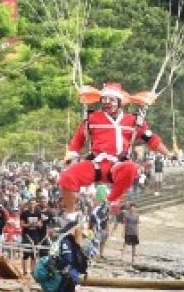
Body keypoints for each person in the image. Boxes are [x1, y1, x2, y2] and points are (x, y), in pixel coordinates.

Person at [58, 82, 172, 225]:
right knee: (66, 178)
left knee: (131, 168)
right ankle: (71, 215)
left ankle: (111, 200)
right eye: (104, 101)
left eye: (111, 101)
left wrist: (168, 154)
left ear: (119, 102)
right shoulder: (91, 119)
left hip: (118, 165)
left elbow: (152, 139)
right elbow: (77, 141)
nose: (107, 105)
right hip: (96, 164)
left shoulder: (133, 121)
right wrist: (70, 156)